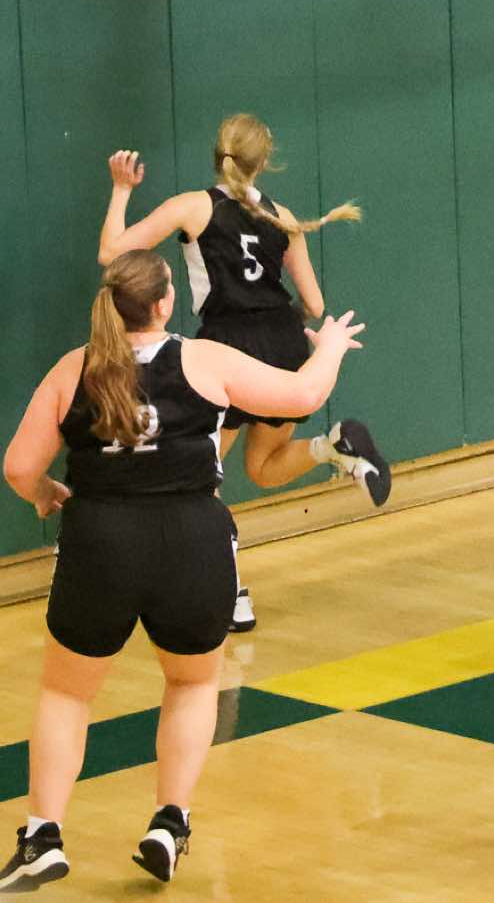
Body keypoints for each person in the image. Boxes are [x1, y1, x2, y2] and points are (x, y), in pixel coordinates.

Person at [0, 250, 364, 891]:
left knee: (68, 693)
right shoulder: (203, 360)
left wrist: (47, 494)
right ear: (166, 303)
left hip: (100, 542)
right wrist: (329, 346)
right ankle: (169, 823)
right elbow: (304, 393)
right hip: (191, 539)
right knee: (192, 684)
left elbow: (20, 468)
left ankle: (43, 837)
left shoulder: (73, 369)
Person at [99, 114, 390, 632]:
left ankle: (231, 593)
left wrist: (121, 191)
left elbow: (110, 255)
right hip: (282, 340)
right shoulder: (283, 217)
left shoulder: (194, 206)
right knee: (264, 466)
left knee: (201, 477)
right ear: (264, 161)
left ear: (219, 154)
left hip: (226, 348)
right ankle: (332, 447)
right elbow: (315, 304)